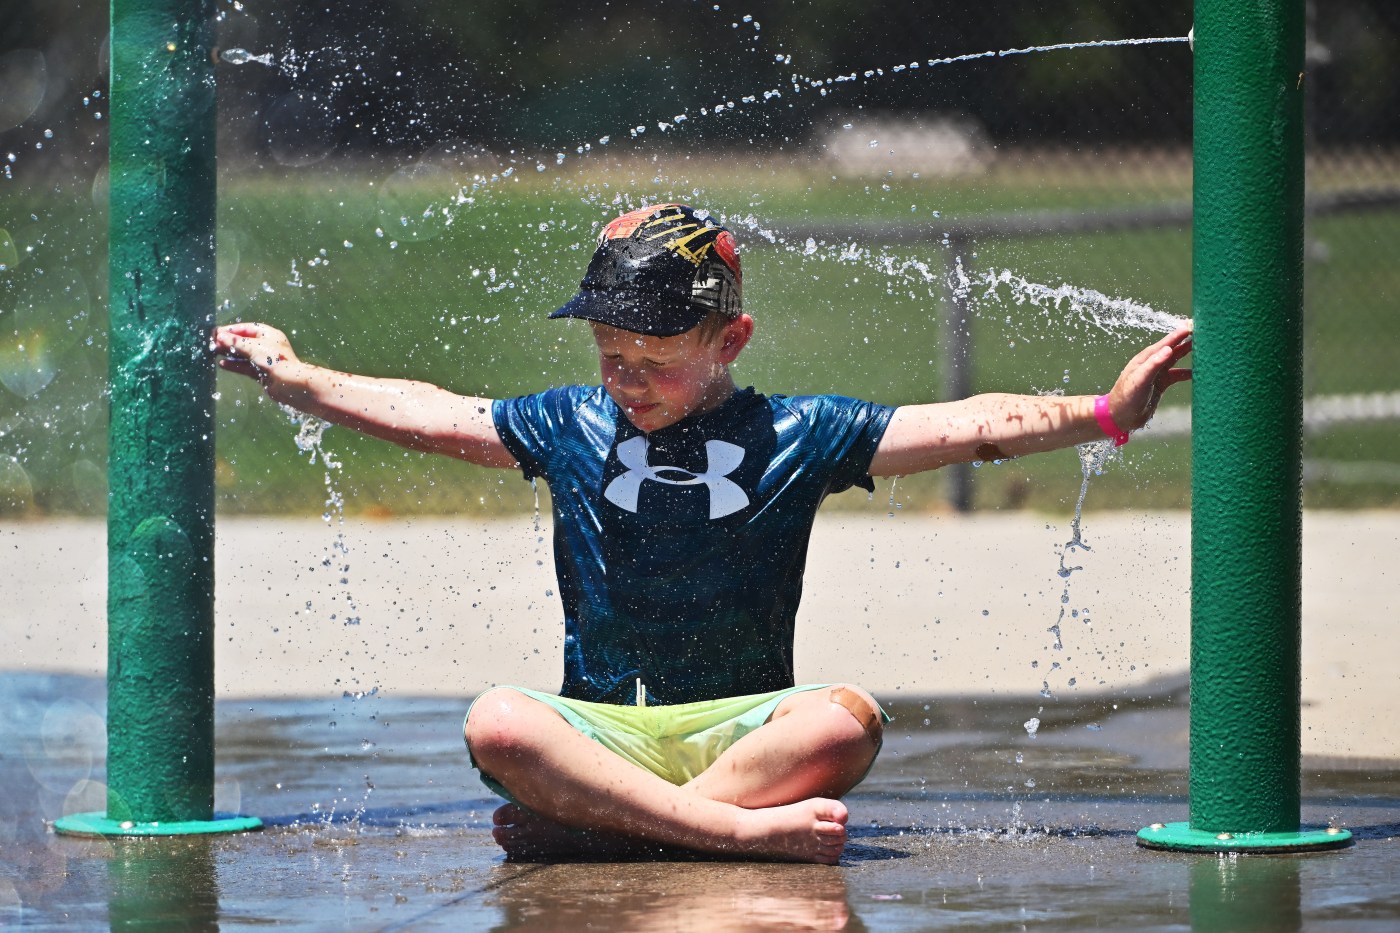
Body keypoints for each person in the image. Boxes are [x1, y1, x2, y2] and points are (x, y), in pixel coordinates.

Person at [214, 203, 1192, 864]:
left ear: (729, 341)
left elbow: (968, 425)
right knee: (499, 725)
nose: (624, 380)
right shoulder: (569, 425)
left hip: (745, 732)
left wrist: (1104, 413)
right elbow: (428, 412)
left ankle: (612, 829)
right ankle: (723, 834)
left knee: (844, 719)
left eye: (652, 359)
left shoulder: (798, 436)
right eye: (607, 356)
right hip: (602, 733)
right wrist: (299, 380)